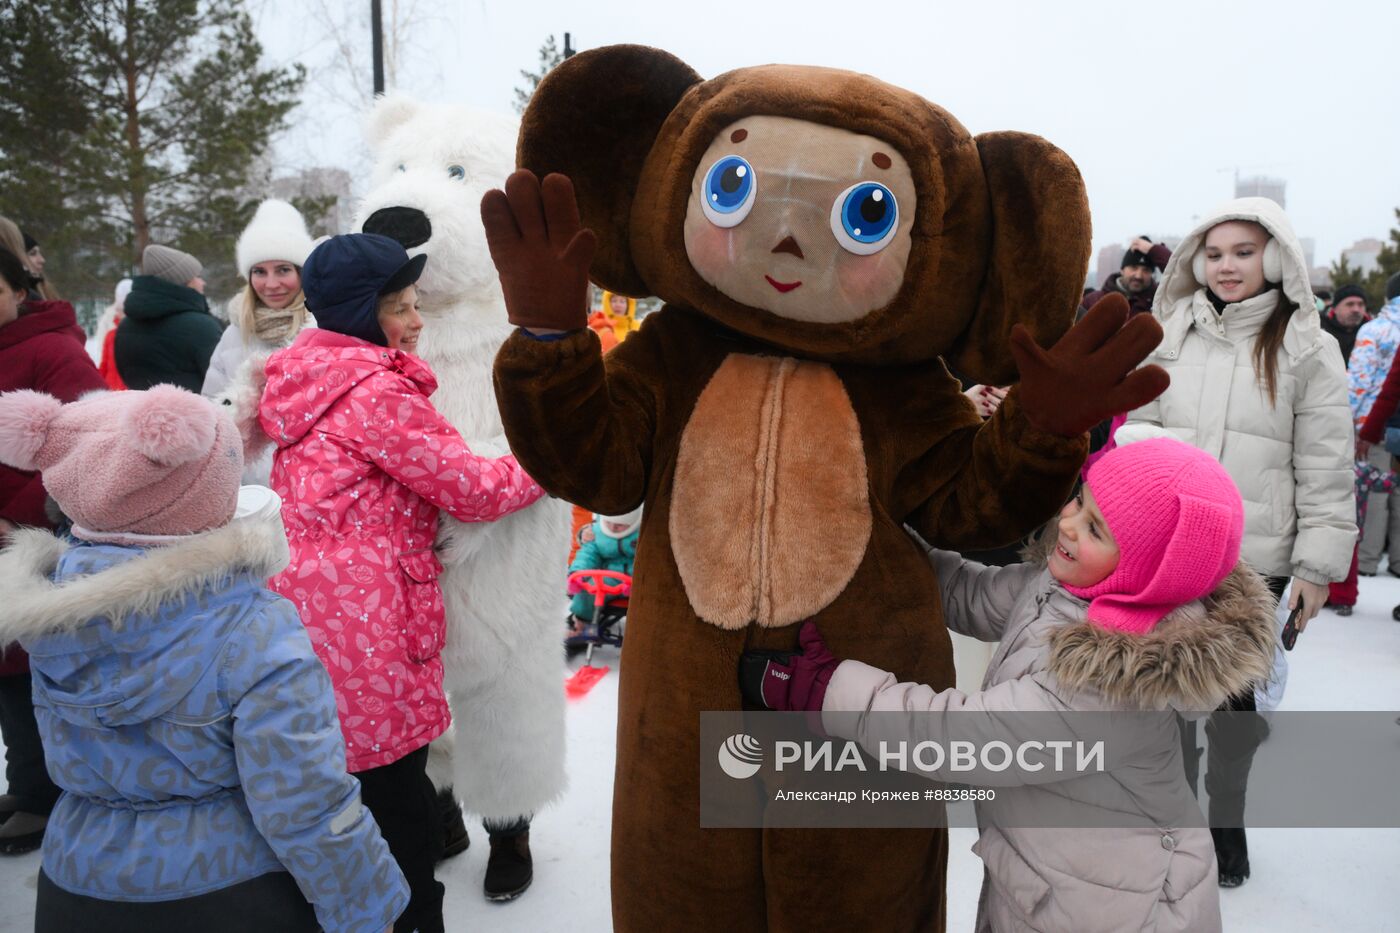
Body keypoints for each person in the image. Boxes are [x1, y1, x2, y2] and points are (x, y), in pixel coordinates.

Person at [743, 438, 1277, 933]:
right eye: (1080, 503)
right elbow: (974, 595)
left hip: (1111, 909)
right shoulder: (1075, 589)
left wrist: (827, 690)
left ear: (1149, 573)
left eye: (1096, 530)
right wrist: (892, 546)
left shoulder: (1114, 684)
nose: (1068, 525)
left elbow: (965, 738)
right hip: (1054, 878)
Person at [0, 385, 408, 932]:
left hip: (76, 882)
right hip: (231, 888)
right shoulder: (252, 626)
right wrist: (369, 908)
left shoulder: (47, 613)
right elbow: (304, 800)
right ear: (202, 495)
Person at [258, 232, 546, 932]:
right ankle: (412, 916)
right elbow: (471, 488)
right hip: (373, 616)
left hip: (310, 609)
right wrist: (546, 457)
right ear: (364, 312)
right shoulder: (376, 393)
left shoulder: (303, 376)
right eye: (402, 307)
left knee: (349, 780)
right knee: (394, 798)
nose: (417, 322)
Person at [1117, 197, 1355, 886]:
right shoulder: (1170, 331)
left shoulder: (1308, 346)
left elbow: (1324, 463)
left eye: (1243, 252)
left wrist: (1317, 566)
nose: (1226, 266)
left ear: (1274, 257)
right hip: (1170, 549)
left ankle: (1226, 820)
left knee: (1234, 703)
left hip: (1256, 557)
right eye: (1215, 253)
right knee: (1159, 693)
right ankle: (1171, 815)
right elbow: (1139, 434)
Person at [0, 247, 106, 856]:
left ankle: (46, 795)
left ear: (20, 288)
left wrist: (19, 515)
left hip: (28, 541)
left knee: (31, 670)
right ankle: (26, 785)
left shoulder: (52, 349)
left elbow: (86, 442)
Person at [202, 199, 315, 483]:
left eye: (283, 270)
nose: (271, 283)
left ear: (302, 272)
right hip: (246, 488)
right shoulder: (235, 334)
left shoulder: (319, 329)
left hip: (311, 483)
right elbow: (210, 406)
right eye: (260, 272)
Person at [1347, 272, 1400, 577]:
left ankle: (1366, 561)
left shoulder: (1376, 329)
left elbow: (1358, 382)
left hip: (1374, 425)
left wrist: (1352, 424)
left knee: (1374, 491)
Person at [114, 243, 223, 392]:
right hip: (197, 413)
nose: (202, 282)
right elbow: (225, 384)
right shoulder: (201, 327)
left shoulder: (124, 327)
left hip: (143, 413)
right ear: (185, 282)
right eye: (196, 276)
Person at [565, 507, 641, 646]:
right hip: (608, 578)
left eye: (618, 526)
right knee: (588, 590)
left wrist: (638, 581)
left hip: (635, 578)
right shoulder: (598, 532)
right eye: (609, 524)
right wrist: (576, 573)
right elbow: (588, 554)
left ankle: (644, 636)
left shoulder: (641, 534)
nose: (613, 528)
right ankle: (581, 624)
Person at [1081, 236, 1172, 317]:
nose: (1138, 276)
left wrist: (1153, 250)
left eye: (1146, 270)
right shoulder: (1093, 301)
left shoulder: (1159, 303)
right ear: (1122, 270)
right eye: (1133, 268)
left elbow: (1180, 275)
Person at [94, 279, 131, 390]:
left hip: (129, 392)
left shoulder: (140, 333)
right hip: (112, 390)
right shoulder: (110, 333)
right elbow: (104, 363)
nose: (119, 313)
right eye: (119, 310)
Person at [1321, 283, 1370, 363]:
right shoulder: (1319, 328)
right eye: (1350, 304)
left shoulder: (1372, 332)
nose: (1356, 310)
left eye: (1360, 304)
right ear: (1335, 308)